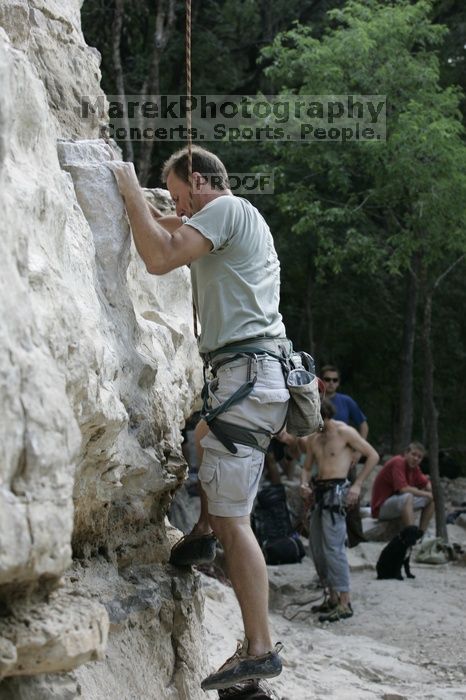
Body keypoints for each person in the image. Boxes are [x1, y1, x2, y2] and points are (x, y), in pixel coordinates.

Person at [108, 146, 289, 690]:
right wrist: (151, 206)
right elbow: (171, 226)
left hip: (246, 375)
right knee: (206, 434)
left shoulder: (229, 209)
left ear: (204, 181)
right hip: (248, 377)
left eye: (185, 197)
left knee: (239, 521)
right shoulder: (232, 219)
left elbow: (160, 257)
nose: (183, 213)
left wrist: (126, 186)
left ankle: (258, 650)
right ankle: (205, 529)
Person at [300, 399, 379, 622]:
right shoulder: (314, 439)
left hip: (337, 492)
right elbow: (307, 468)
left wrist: (357, 484)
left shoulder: (345, 432)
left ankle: (345, 602)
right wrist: (303, 484)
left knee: (334, 548)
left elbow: (372, 455)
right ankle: (331, 597)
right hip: (319, 493)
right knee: (316, 547)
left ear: (325, 416)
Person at [321, 365, 369, 546]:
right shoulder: (315, 400)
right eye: (327, 379)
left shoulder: (346, 401)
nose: (331, 383)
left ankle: (356, 539)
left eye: (334, 380)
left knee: (351, 499)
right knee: (318, 500)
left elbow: (363, 424)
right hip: (322, 458)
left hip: (346, 457)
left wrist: (358, 450)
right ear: (321, 380)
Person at [371, 442, 434, 532]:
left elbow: (426, 483)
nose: (416, 459)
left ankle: (420, 534)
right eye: (413, 454)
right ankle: (411, 535)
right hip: (381, 508)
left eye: (419, 457)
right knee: (408, 496)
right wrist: (427, 494)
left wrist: (433, 493)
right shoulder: (398, 462)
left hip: (396, 504)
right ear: (406, 453)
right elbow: (403, 489)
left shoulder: (415, 468)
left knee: (432, 500)